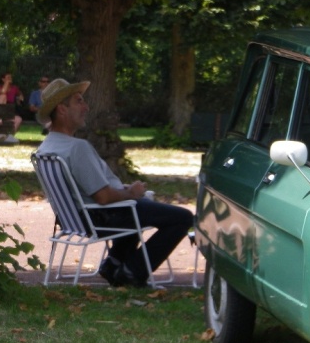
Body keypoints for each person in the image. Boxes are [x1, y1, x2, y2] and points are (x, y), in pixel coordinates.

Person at [36, 78, 194, 287]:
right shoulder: (76, 148)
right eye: (79, 101)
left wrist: (127, 193)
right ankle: (132, 272)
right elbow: (103, 197)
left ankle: (113, 264)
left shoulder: (45, 148)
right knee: (182, 217)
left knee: (142, 206)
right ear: (62, 109)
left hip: (72, 220)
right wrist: (131, 193)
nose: (86, 107)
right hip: (100, 218)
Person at [0, 72, 23, 140]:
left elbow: (20, 95)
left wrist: (19, 97)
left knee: (18, 119)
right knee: (3, 96)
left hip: (7, 112)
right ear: (3, 79)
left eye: (10, 77)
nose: (10, 79)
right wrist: (6, 83)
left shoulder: (14, 88)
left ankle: (8, 136)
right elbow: (3, 91)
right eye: (8, 78)